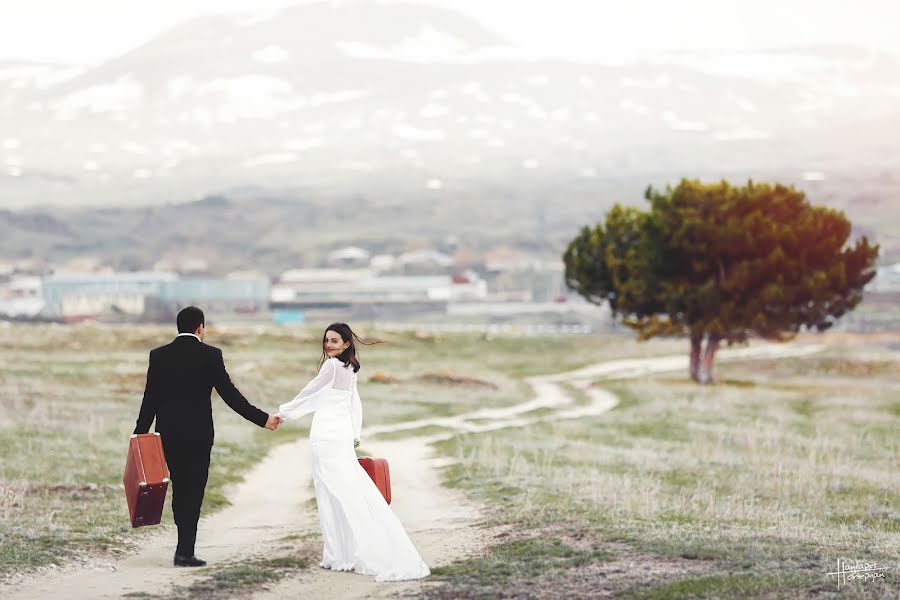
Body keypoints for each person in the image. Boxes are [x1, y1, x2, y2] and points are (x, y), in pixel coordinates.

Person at [275, 323, 430, 581]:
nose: (329, 345)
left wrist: (284, 413)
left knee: (330, 494)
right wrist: (354, 435)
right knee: (349, 493)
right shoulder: (350, 368)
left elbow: (310, 394)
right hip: (342, 438)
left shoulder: (332, 366)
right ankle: (344, 554)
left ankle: (341, 555)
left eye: (335, 341)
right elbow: (353, 405)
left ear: (346, 344)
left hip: (326, 437)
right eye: (326, 340)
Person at [133, 306, 282, 567]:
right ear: (201, 327)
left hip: (167, 434)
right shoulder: (210, 355)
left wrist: (139, 435)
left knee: (179, 488)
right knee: (194, 490)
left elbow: (150, 399)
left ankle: (182, 546)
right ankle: (184, 551)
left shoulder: (158, 356)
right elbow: (230, 395)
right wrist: (263, 419)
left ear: (178, 327)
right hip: (199, 436)